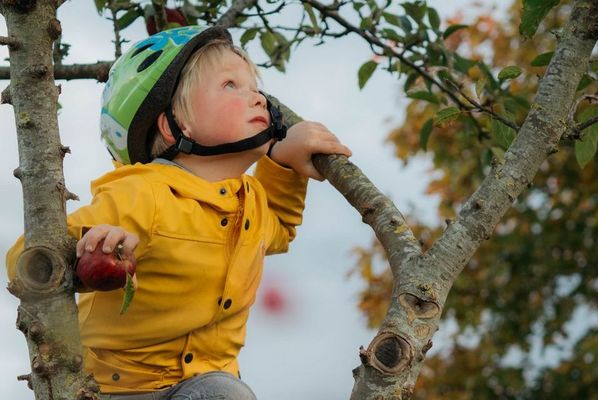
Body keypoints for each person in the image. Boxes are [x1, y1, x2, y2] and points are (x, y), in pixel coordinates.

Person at [5, 26, 351, 399]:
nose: (258, 98)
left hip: (203, 385)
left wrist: (282, 164)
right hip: (114, 390)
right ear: (174, 126)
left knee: (225, 393)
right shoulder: (143, 192)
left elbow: (278, 228)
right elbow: (28, 258)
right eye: (230, 86)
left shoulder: (248, 198)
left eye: (255, 87)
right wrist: (92, 249)